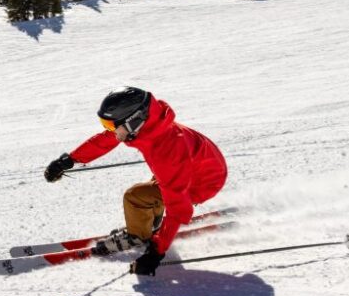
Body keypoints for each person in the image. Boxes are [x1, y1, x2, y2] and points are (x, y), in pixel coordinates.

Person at [43, 87, 227, 276]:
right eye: (106, 124)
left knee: (135, 196)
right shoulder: (149, 126)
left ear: (134, 120)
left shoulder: (166, 151)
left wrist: (156, 252)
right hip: (199, 166)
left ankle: (137, 237)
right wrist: (70, 160)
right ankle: (150, 223)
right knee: (158, 185)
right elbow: (104, 141)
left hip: (203, 181)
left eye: (111, 125)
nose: (110, 130)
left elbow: (178, 207)